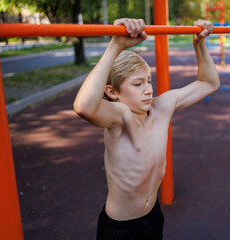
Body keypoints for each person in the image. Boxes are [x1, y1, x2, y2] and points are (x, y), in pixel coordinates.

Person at [73, 18, 219, 240]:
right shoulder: (120, 117)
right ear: (113, 92)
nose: (148, 90)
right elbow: (83, 107)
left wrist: (199, 43)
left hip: (152, 217)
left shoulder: (162, 107)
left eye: (149, 81)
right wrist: (116, 45)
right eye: (137, 84)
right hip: (120, 229)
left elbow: (209, 83)